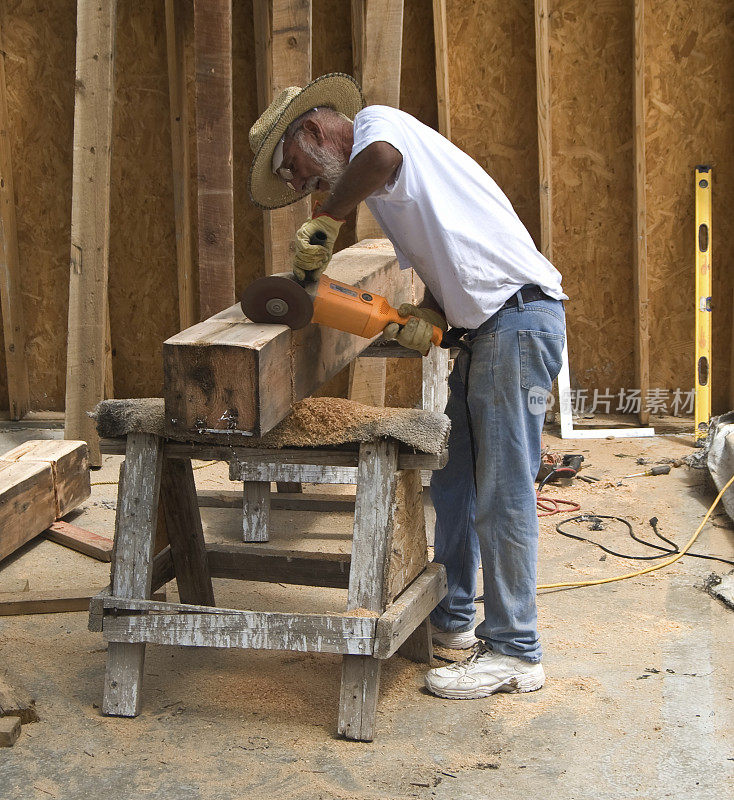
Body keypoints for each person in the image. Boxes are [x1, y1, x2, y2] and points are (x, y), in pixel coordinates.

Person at [248, 73, 567, 699]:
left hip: (518, 322)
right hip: (486, 330)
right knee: (453, 483)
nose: (309, 188)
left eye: (301, 171)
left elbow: (379, 159)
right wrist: (434, 316)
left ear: (314, 130)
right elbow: (456, 251)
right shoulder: (392, 186)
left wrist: (331, 216)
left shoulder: (379, 130)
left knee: (502, 490)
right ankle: (451, 619)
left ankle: (516, 651)